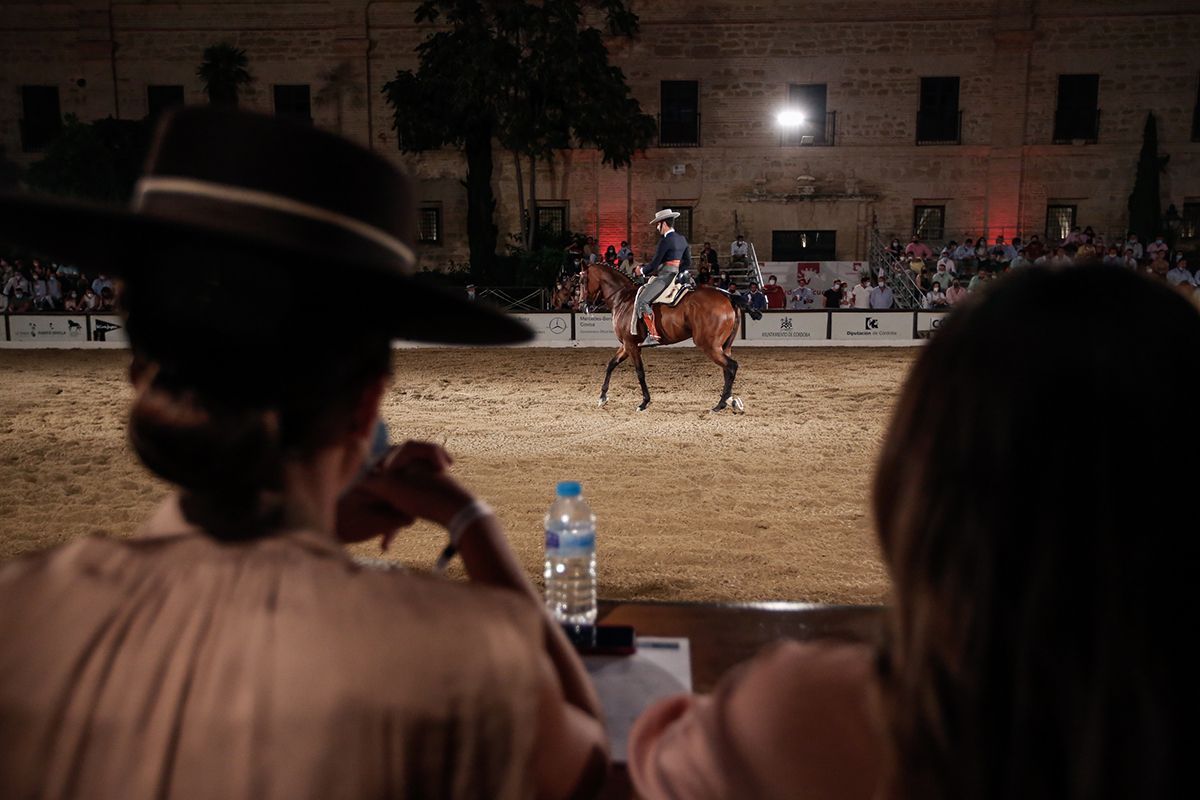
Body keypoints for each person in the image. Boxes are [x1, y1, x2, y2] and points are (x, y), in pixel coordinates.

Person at [0, 107, 608, 799]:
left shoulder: (18, 610)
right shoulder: (465, 649)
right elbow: (589, 758)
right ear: (366, 405)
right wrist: (472, 523)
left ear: (145, 372)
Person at [628, 265, 1195, 799]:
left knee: (647, 299)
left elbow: (630, 753)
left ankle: (647, 327)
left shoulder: (800, 706)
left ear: (910, 494)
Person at [635, 208, 691, 347]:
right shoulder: (682, 239)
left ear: (663, 223)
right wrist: (678, 272)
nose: (657, 227)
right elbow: (688, 262)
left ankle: (653, 335)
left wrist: (641, 270)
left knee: (642, 301)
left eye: (658, 224)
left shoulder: (665, 241)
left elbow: (654, 264)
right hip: (678, 276)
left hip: (665, 277)